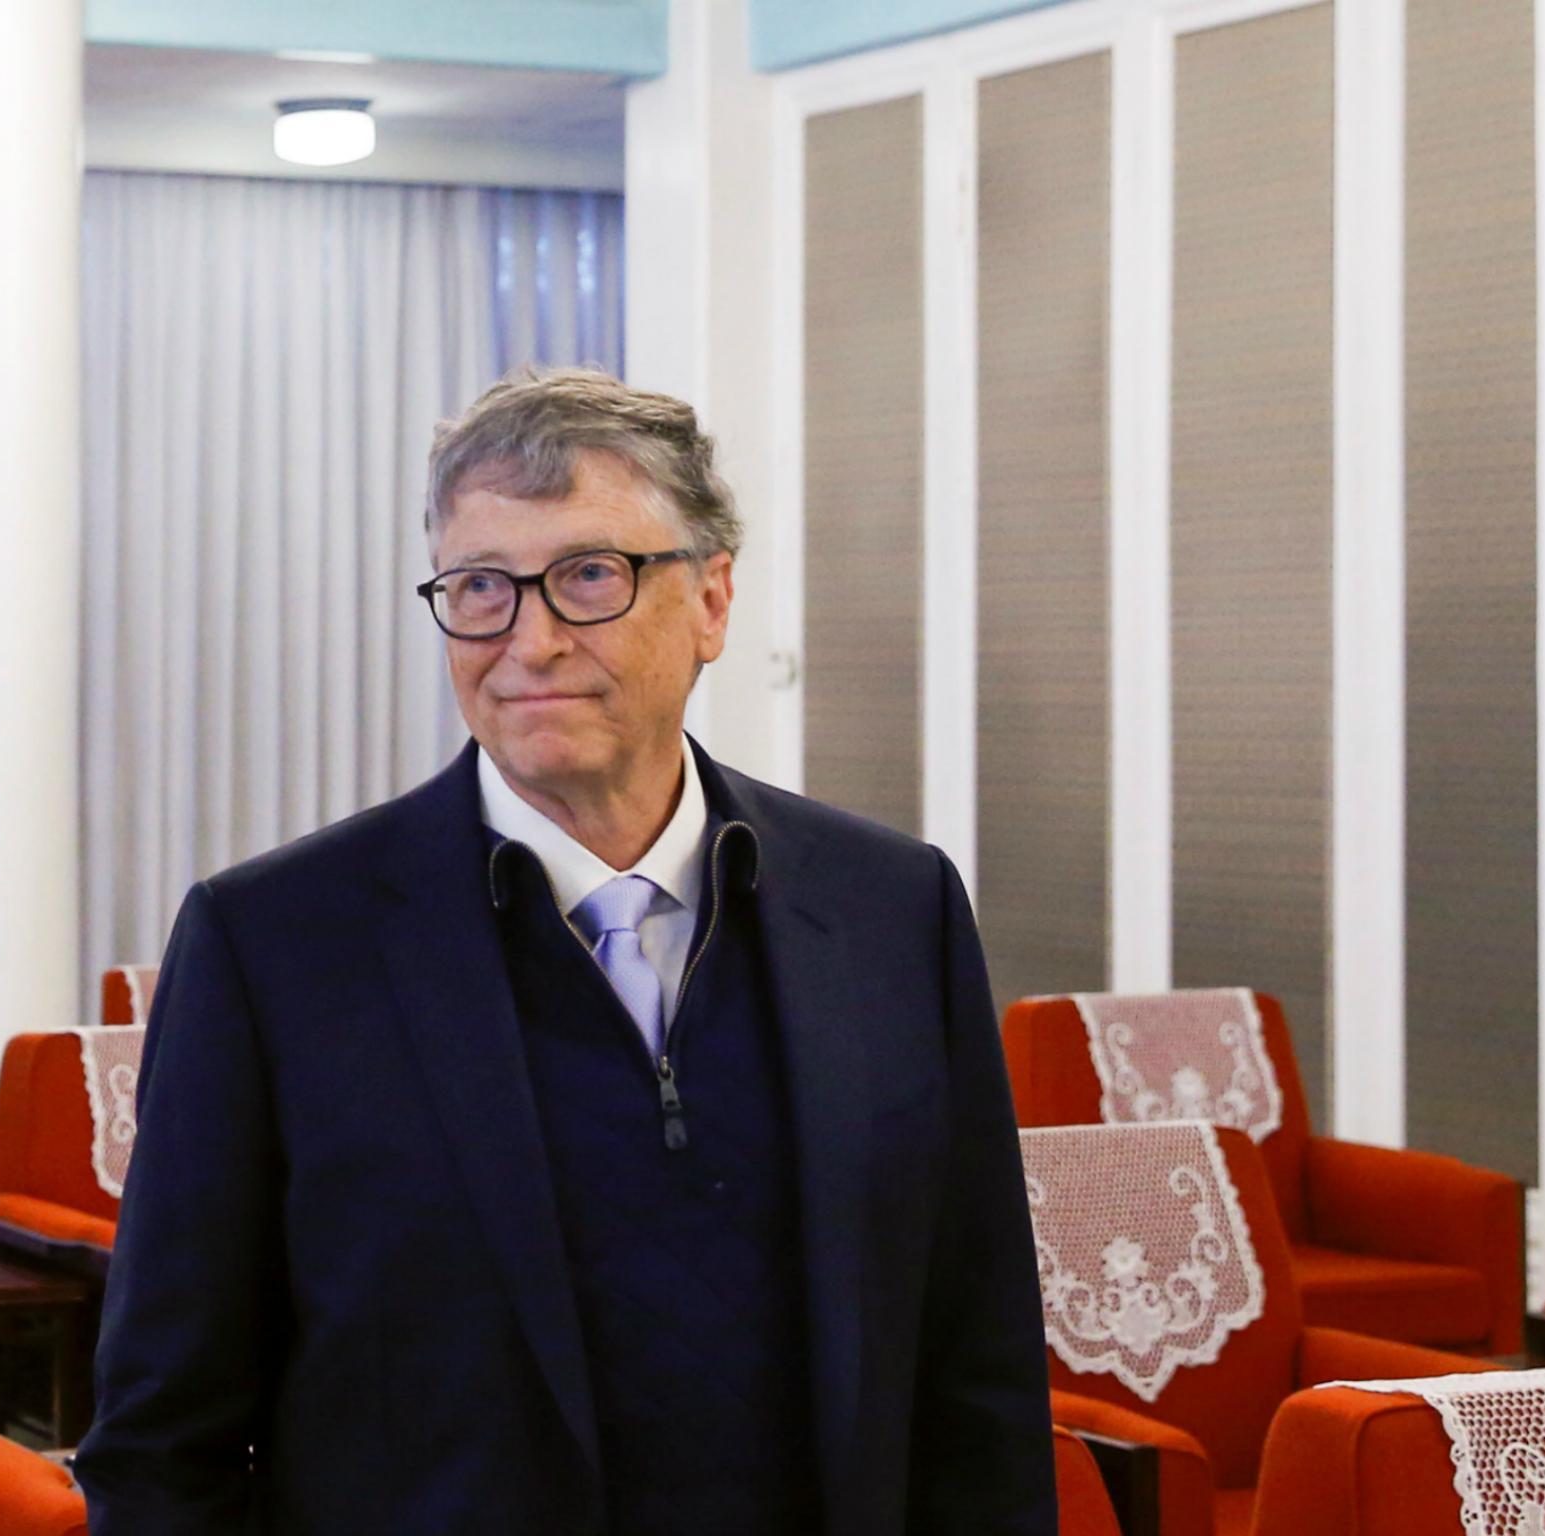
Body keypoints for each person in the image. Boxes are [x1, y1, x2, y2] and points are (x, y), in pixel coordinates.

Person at [75, 368, 1057, 1536]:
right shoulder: (274, 945)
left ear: (710, 601)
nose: (528, 641)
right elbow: (159, 1433)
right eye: (481, 587)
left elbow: (975, 1372)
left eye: (588, 575)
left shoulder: (894, 911)